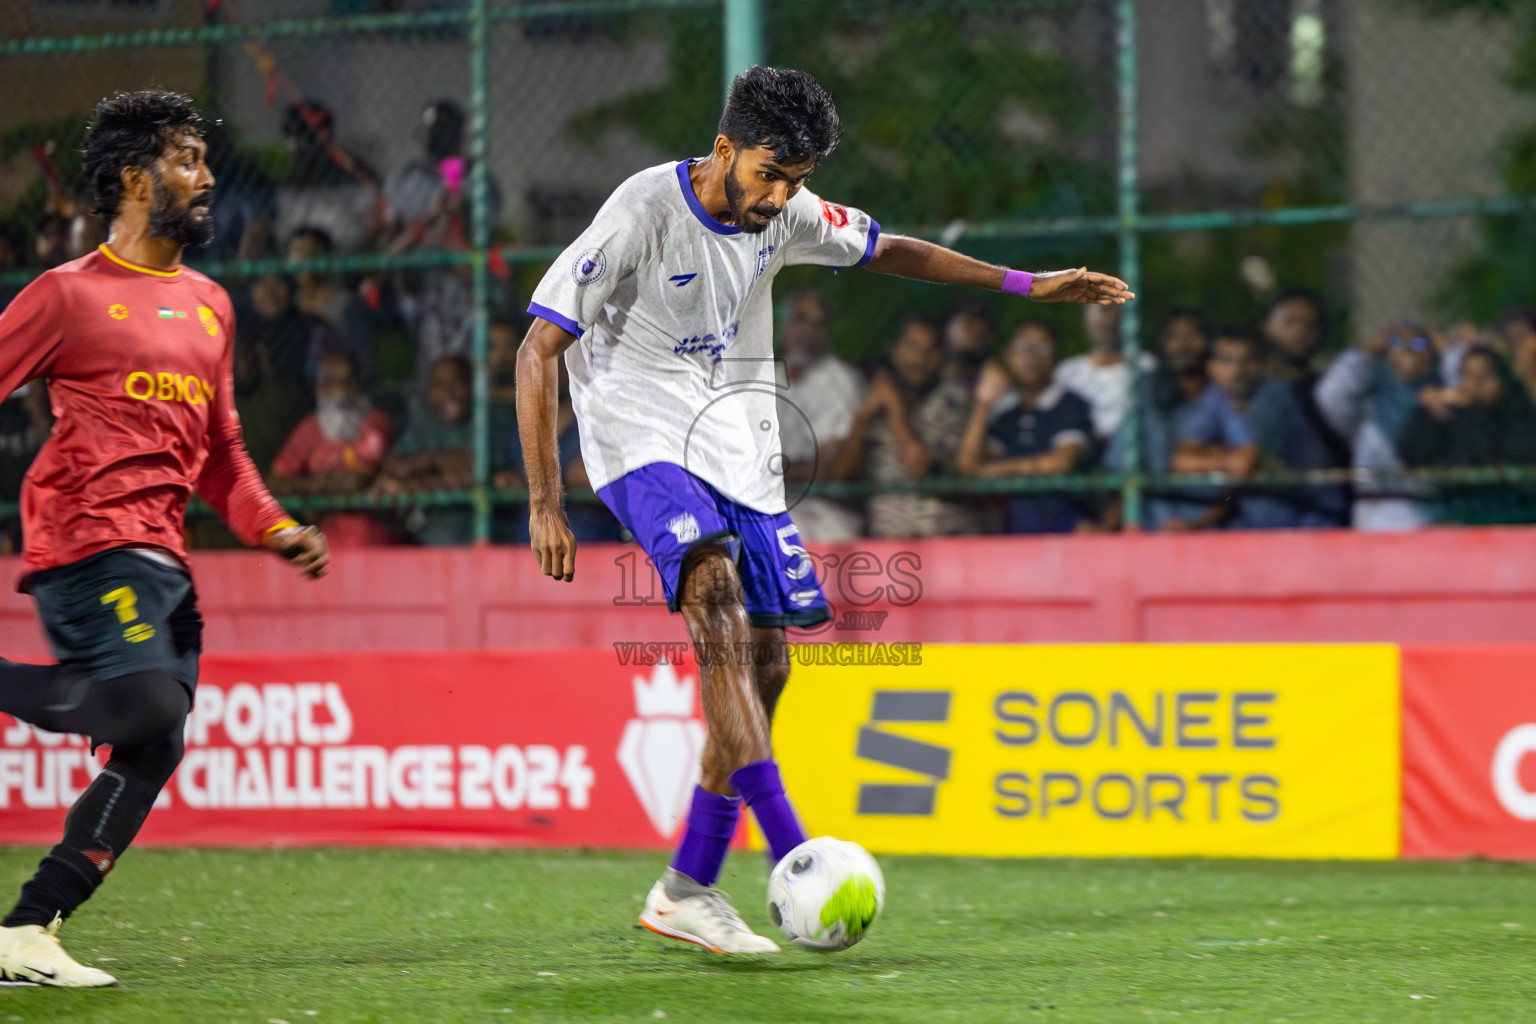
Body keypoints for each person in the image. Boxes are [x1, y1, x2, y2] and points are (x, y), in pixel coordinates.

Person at [517, 65, 1131, 953]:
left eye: (797, 181)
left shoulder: (788, 209)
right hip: (636, 432)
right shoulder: (641, 210)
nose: (782, 198)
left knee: (769, 668)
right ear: (724, 148)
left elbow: (891, 247)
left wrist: (1026, 286)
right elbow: (539, 350)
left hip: (734, 437)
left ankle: (687, 887)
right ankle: (795, 846)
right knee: (716, 599)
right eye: (769, 174)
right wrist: (547, 500)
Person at [0, 91, 328, 987]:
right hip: (87, 545)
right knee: (147, 709)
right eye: (188, 159)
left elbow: (223, 455)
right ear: (137, 181)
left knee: (157, 744)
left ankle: (27, 929)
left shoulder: (211, 305)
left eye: (203, 157)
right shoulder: (66, 295)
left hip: (165, 563)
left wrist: (278, 528)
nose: (208, 174)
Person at [827, 315, 981, 537]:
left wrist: (894, 406)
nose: (920, 358)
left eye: (930, 350)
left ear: (942, 357)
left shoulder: (954, 400)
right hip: (886, 543)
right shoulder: (871, 399)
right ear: (893, 350)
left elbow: (920, 468)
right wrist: (863, 419)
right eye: (912, 346)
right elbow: (840, 476)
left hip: (945, 537)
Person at [1172, 330, 1341, 530]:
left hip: (1314, 523)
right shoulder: (1217, 399)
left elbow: (1243, 472)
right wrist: (1228, 460)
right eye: (1227, 361)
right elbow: (1181, 461)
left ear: (1262, 365)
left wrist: (1200, 523)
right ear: (1211, 367)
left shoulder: (1274, 397)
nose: (1238, 370)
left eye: (1247, 360)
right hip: (1263, 527)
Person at [956, 320, 1094, 533]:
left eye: (1042, 348)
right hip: (1011, 533)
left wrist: (993, 471)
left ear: (1056, 358)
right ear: (1009, 354)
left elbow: (1061, 462)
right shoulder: (1005, 413)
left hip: (1066, 527)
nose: (1032, 357)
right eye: (1024, 347)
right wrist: (983, 403)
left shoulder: (1071, 404)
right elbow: (968, 465)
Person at [1314, 320, 1441, 531]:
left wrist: (1449, 350)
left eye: (1419, 344)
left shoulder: (1447, 399)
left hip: (1433, 517)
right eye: (1397, 343)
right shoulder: (1366, 409)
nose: (1408, 349)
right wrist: (1365, 353)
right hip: (1376, 516)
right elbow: (1329, 398)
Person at [270, 350, 395, 546]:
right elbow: (275, 482)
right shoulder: (310, 428)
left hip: (377, 542)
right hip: (324, 544)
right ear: (318, 388)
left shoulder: (377, 423)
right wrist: (315, 485)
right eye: (332, 381)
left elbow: (363, 478)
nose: (342, 390)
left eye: (349, 381)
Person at [1401, 345, 1536, 524]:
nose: (1473, 384)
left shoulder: (1518, 410)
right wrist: (1429, 415)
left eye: (1482, 376)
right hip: (1458, 515)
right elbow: (1411, 453)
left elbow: (1495, 456)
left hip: (1514, 514)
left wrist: (1468, 415)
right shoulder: (1451, 412)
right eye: (1466, 376)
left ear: (1501, 379)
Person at [775, 289, 864, 541]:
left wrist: (767, 470)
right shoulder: (766, 376)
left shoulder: (840, 380)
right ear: (784, 324)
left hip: (824, 513)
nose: (808, 332)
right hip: (772, 505)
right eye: (800, 319)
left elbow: (830, 469)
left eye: (818, 324)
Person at [374, 355, 476, 545]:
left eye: (457, 382)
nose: (448, 392)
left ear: (473, 386)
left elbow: (471, 470)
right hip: (431, 534)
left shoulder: (487, 418)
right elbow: (394, 467)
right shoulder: (423, 422)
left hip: (482, 531)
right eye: (439, 385)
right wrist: (437, 460)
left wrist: (418, 479)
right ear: (429, 393)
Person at [1053, 303, 1152, 443]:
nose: (1107, 320)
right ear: (1086, 318)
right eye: (1101, 311)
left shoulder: (1146, 365)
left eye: (1114, 312)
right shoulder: (1066, 372)